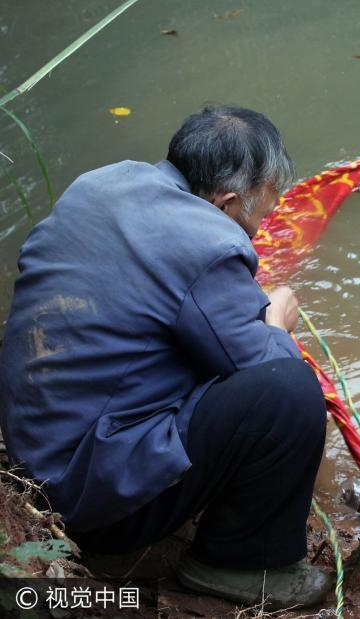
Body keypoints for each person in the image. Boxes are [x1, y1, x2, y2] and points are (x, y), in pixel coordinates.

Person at [0, 106, 333, 609]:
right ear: (226, 203)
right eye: (257, 219)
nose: (256, 232)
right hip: (88, 498)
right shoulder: (208, 242)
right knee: (290, 391)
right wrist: (276, 322)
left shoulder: (101, 183)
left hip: (38, 454)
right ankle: (239, 564)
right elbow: (260, 367)